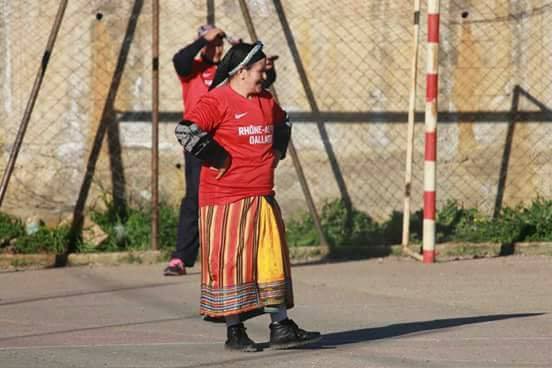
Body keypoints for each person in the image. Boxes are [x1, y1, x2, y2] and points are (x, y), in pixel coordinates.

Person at [174, 42, 321, 352]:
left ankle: (280, 326)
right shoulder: (217, 101)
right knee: (232, 265)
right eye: (259, 71)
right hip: (226, 201)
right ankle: (235, 332)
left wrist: (278, 151)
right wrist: (219, 158)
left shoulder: (266, 101)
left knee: (271, 262)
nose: (263, 77)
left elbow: (284, 123)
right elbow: (186, 131)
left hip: (263, 197)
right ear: (240, 72)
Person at [165, 25, 277, 276]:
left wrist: (246, 50)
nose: (217, 49)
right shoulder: (193, 69)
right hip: (202, 140)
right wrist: (203, 41)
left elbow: (261, 78)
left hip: (233, 138)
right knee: (195, 195)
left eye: (219, 45)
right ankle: (181, 257)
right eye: (211, 45)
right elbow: (179, 61)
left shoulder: (229, 71)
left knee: (241, 198)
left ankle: (240, 255)